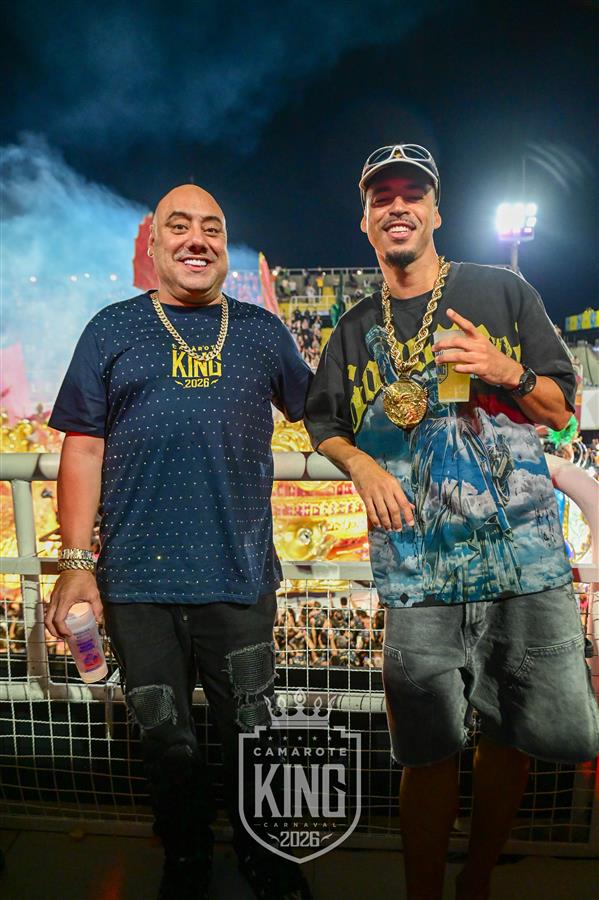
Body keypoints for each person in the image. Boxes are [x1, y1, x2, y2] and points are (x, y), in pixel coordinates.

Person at [304, 144, 599, 900]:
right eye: (382, 197)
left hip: (520, 563)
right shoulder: (353, 328)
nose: (398, 206)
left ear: (437, 211)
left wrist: (504, 370)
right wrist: (360, 465)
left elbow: (561, 410)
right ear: (366, 220)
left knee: (513, 734)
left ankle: (477, 881)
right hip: (417, 571)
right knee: (425, 751)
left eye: (413, 193)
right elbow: (323, 422)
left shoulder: (501, 290)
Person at [44, 184, 313, 900]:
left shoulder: (261, 332)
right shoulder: (111, 329)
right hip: (137, 584)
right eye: (180, 226)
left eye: (212, 228)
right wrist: (75, 565)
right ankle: (186, 859)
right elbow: (82, 448)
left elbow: (324, 414)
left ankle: (266, 856)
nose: (197, 239)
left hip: (239, 576)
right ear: (156, 243)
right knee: (165, 739)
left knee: (254, 732)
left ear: (224, 245)